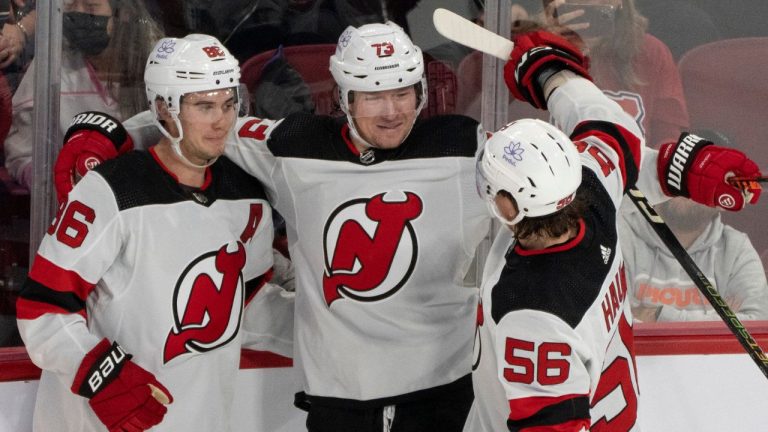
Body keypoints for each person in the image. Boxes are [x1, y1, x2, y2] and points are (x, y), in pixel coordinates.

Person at [55, 22, 761, 432]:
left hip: (443, 395)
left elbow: (559, 168)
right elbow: (194, 122)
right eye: (371, 95)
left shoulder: (463, 146)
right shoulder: (291, 144)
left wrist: (678, 165)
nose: (390, 110)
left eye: (403, 92)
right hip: (340, 405)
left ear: (423, 91)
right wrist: (109, 134)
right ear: (343, 93)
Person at [464, 29, 760, 431]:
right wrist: (550, 72)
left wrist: (681, 173)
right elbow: (603, 124)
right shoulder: (593, 185)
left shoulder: (531, 310)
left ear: (507, 207)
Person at [16, 34, 293, 432]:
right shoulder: (109, 189)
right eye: (204, 106)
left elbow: (242, 307)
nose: (221, 121)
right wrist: (100, 374)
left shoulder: (246, 196)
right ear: (163, 108)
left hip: (202, 418)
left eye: (228, 104)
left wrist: (327, 329)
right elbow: (44, 307)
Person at [3, 0, 162, 190]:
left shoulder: (155, 66)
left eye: (90, 6)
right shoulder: (51, 66)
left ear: (123, 13)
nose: (78, 14)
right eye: (70, 6)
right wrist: (59, 187)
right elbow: (23, 155)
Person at [540, 0, 690, 148]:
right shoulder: (534, 49)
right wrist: (543, 47)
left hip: (631, 169)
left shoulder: (651, 52)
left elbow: (668, 138)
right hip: (546, 169)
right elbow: (519, 125)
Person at [620, 195, 768, 322]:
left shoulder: (736, 248)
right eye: (681, 171)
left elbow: (755, 330)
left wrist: (656, 315)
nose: (688, 184)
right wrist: (720, 320)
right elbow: (611, 325)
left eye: (704, 177)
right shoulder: (619, 234)